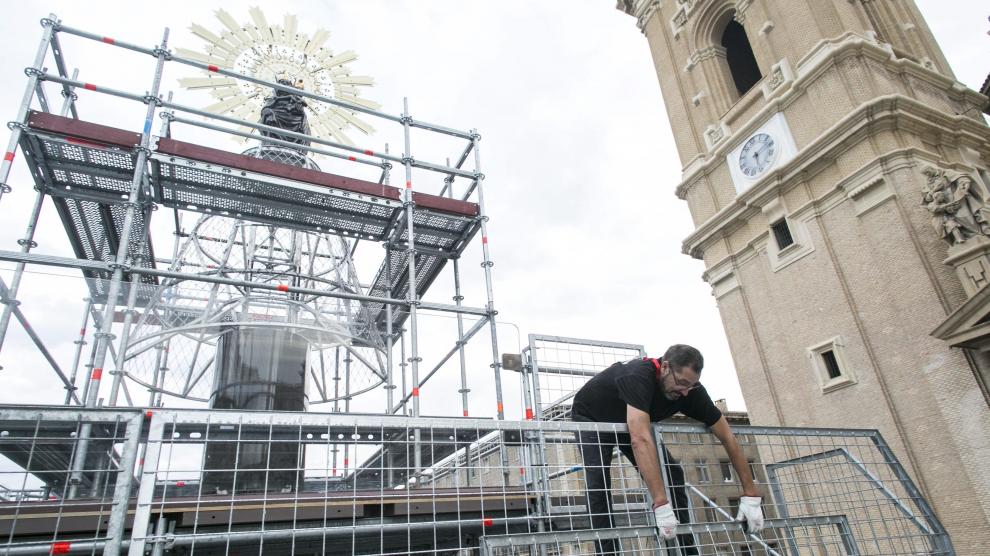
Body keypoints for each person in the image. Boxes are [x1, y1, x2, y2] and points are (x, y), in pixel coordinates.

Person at [571, 344, 764, 555]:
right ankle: (607, 552)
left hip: (630, 421)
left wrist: (751, 495)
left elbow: (727, 436)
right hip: (591, 416)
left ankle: (685, 550)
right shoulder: (638, 377)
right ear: (664, 367)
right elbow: (640, 440)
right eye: (681, 383)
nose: (685, 391)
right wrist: (660, 504)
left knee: (672, 473)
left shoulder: (690, 391)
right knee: (598, 482)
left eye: (691, 385)